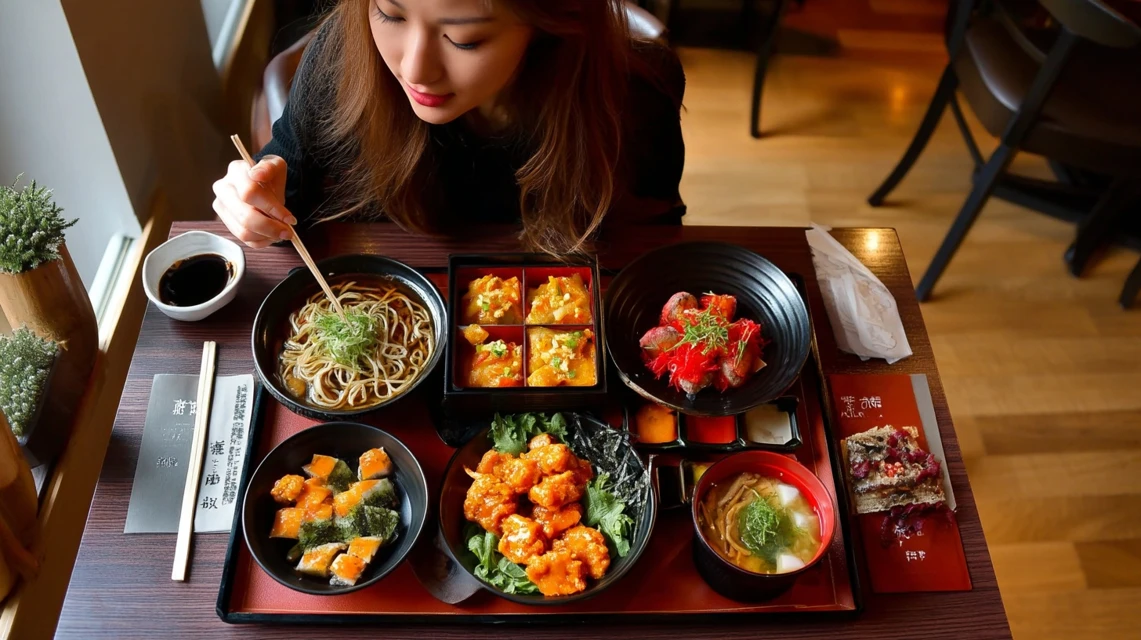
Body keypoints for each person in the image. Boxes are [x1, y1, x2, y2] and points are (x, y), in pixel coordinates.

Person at [212, 0, 685, 255]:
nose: (415, 69)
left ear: (548, 25)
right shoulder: (343, 56)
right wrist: (256, 197)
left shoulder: (634, 95)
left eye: (464, 38)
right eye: (390, 14)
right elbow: (288, 177)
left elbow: (654, 235)